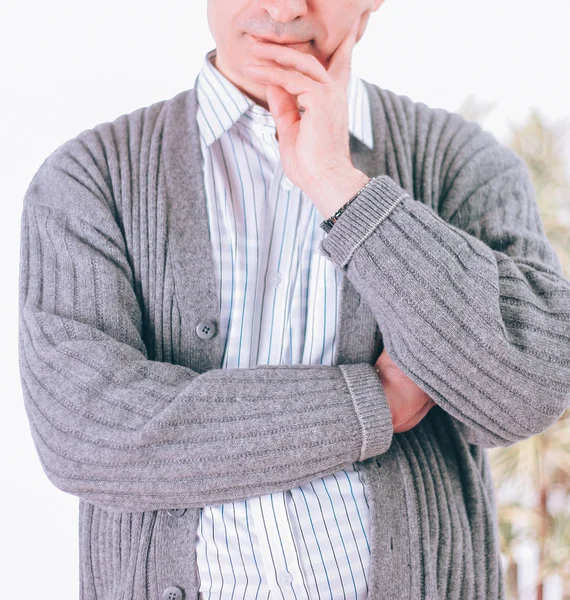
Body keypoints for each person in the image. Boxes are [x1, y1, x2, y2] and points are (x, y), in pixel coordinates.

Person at [17, 0, 570, 598]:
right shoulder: (89, 178)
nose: (282, 7)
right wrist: (371, 406)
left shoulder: (462, 163)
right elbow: (89, 435)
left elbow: (527, 390)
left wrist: (339, 184)